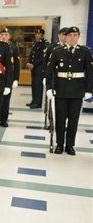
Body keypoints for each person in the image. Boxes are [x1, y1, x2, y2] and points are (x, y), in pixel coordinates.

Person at [45, 26, 93, 155]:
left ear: (78, 37)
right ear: (65, 37)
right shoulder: (57, 51)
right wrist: (49, 88)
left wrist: (89, 90)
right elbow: (49, 72)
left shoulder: (85, 52)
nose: (72, 37)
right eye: (70, 35)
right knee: (60, 119)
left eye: (75, 35)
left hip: (77, 91)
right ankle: (59, 144)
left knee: (73, 120)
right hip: (61, 90)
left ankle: (70, 145)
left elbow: (90, 72)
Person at [0, 28, 20, 127]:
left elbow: (17, 64)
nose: (4, 36)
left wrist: (16, 79)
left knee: (6, 100)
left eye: (6, 34)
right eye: (2, 34)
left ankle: (3, 119)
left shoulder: (13, 48)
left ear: (9, 36)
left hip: (8, 76)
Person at [26, 28, 49, 108]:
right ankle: (34, 100)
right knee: (34, 85)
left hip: (39, 67)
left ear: (42, 35)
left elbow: (43, 57)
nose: (37, 35)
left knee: (38, 85)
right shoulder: (35, 43)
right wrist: (29, 62)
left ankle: (37, 103)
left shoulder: (45, 44)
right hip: (34, 68)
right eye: (36, 34)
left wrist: (33, 64)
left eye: (39, 34)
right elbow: (31, 54)